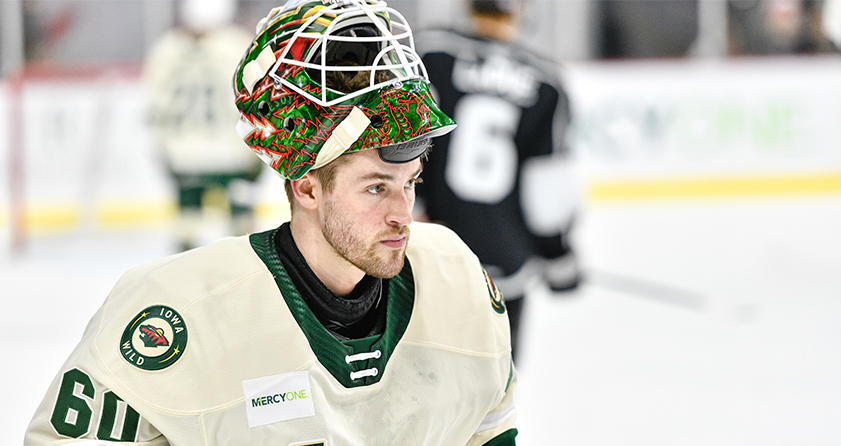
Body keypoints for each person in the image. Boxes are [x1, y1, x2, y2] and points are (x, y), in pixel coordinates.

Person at [24, 1, 519, 445]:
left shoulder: (457, 281)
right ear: (306, 187)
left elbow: (489, 427)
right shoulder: (179, 314)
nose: (402, 214)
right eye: (374, 187)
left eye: (408, 182)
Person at [416, 0, 581, 362]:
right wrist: (558, 257)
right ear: (521, 8)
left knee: (419, 392)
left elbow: (399, 148)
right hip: (505, 269)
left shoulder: (429, 54)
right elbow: (547, 193)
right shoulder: (546, 83)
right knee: (493, 401)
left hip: (428, 257)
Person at [144, 0, 264, 251]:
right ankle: (247, 266)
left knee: (187, 216)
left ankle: (182, 270)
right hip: (231, 154)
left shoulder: (166, 49)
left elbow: (156, 107)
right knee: (241, 215)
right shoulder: (236, 44)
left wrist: (164, 150)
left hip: (183, 155)